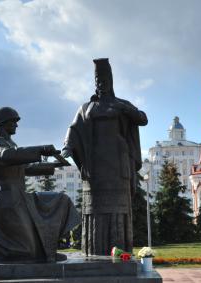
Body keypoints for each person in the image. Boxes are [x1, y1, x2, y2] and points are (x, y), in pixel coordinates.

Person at [0, 107, 80, 263]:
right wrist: (40, 150)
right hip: (5, 200)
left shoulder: (10, 143)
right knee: (22, 251)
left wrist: (53, 166)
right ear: (2, 123)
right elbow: (4, 157)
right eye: (13, 122)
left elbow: (25, 169)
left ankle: (44, 253)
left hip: (19, 197)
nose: (16, 125)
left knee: (61, 200)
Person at [62, 58, 148, 256]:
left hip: (118, 164)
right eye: (97, 80)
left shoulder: (121, 105)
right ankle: (95, 250)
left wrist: (125, 108)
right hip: (95, 165)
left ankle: (121, 252)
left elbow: (142, 119)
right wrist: (67, 147)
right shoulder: (87, 108)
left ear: (111, 82)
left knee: (118, 209)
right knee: (96, 207)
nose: (101, 83)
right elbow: (74, 128)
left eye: (104, 80)